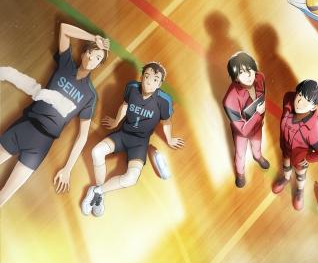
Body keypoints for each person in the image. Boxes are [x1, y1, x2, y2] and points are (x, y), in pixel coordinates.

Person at [0, 23, 109, 207]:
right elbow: (64, 29)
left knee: (3, 197)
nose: (92, 58)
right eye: (91, 52)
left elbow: (82, 136)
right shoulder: (65, 64)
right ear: (83, 53)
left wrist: (68, 168)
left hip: (41, 145)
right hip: (25, 126)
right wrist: (93, 38)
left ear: (99, 64)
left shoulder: (90, 96)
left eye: (98, 57)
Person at [81, 62, 184, 217]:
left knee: (131, 178)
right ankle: (99, 195)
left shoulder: (164, 101)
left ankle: (97, 191)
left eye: (155, 79)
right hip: (124, 135)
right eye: (147, 76)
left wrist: (169, 140)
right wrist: (115, 122)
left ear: (159, 84)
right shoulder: (132, 88)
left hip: (140, 143)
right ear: (142, 77)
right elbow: (125, 105)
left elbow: (167, 122)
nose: (149, 82)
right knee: (96, 152)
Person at [272, 79, 318, 211]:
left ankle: (300, 190)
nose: (299, 102)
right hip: (286, 145)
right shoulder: (288, 98)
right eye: (299, 95)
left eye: (306, 101)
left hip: (299, 155)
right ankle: (286, 177)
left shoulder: (316, 130)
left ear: (314, 107)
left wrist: (308, 158)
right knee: (285, 162)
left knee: (300, 173)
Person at [223, 51, 269, 188]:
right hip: (241, 133)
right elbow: (242, 130)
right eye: (241, 73)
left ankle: (257, 156)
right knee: (240, 154)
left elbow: (262, 97)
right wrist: (258, 114)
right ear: (235, 77)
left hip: (257, 125)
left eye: (250, 69)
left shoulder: (260, 78)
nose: (248, 75)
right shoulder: (229, 100)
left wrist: (261, 118)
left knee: (257, 145)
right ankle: (240, 173)